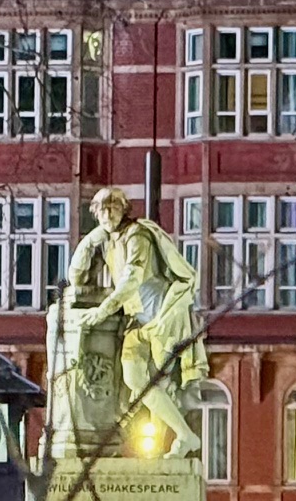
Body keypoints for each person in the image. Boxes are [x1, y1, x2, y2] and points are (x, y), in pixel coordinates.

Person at [64, 186, 208, 457]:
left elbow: (132, 278)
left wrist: (103, 310)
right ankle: (185, 437)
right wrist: (90, 240)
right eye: (102, 209)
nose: (108, 214)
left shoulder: (138, 235)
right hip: (136, 321)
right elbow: (75, 275)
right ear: (95, 214)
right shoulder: (108, 239)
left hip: (161, 317)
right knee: (135, 379)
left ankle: (175, 445)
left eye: (114, 207)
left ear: (124, 209)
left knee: (162, 383)